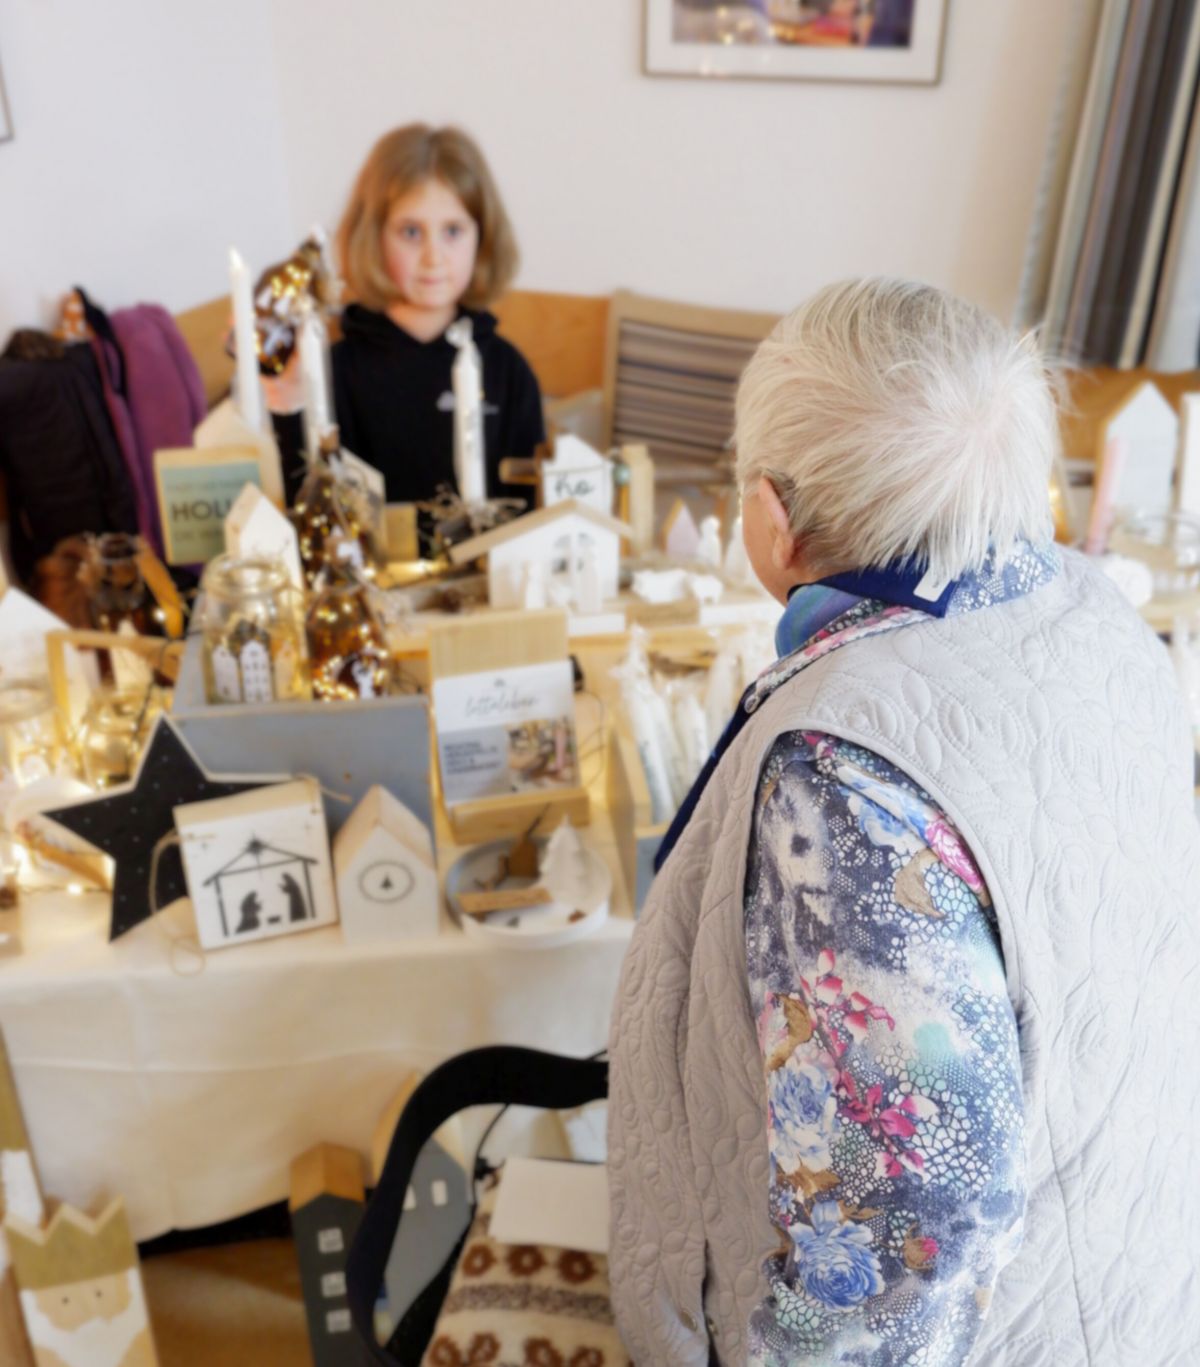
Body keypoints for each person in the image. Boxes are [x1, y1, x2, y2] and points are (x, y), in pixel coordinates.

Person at [607, 279, 1200, 1366]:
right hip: (1139, 1268)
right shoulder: (1098, 612)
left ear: (773, 521)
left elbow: (898, 1241)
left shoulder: (847, 782)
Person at [269, 124, 544, 505]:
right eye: (411, 232)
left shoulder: (507, 372)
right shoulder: (338, 373)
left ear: (482, 238)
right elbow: (305, 500)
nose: (434, 257)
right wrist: (287, 403)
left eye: (452, 231)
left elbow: (530, 505)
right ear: (375, 237)